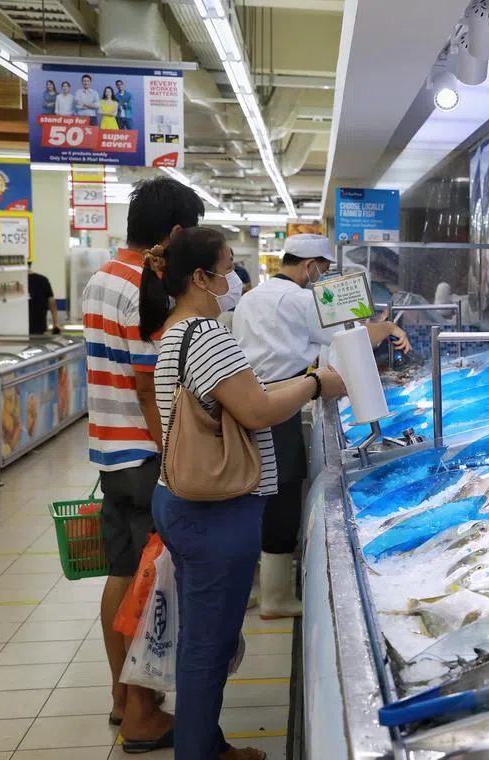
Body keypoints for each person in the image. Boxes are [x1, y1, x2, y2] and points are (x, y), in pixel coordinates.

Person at [139, 227, 346, 760]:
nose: (236, 279)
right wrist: (317, 383)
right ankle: (198, 752)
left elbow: (240, 398)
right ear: (201, 278)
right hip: (213, 510)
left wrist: (297, 380)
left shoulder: (179, 330)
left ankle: (209, 742)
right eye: (228, 268)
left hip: (188, 502)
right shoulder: (206, 335)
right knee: (209, 647)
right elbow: (255, 412)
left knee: (207, 639)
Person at [82, 177, 204, 753]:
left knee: (125, 571)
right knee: (149, 581)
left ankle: (122, 696)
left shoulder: (103, 277)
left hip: (111, 447)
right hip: (144, 451)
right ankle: (141, 713)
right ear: (175, 233)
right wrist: (173, 450)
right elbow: (145, 375)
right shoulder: (142, 285)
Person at [232, 234, 408, 618]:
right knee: (281, 495)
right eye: (323, 270)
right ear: (310, 266)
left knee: (251, 496)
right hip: (279, 404)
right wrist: (390, 329)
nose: (322, 277)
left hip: (245, 401)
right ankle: (276, 598)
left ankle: (246, 589)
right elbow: (349, 338)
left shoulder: (252, 297)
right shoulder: (300, 299)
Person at [27, 265, 60, 335]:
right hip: (39, 328)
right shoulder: (43, 280)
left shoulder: (16, 282)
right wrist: (55, 324)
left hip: (18, 329)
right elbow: (52, 304)